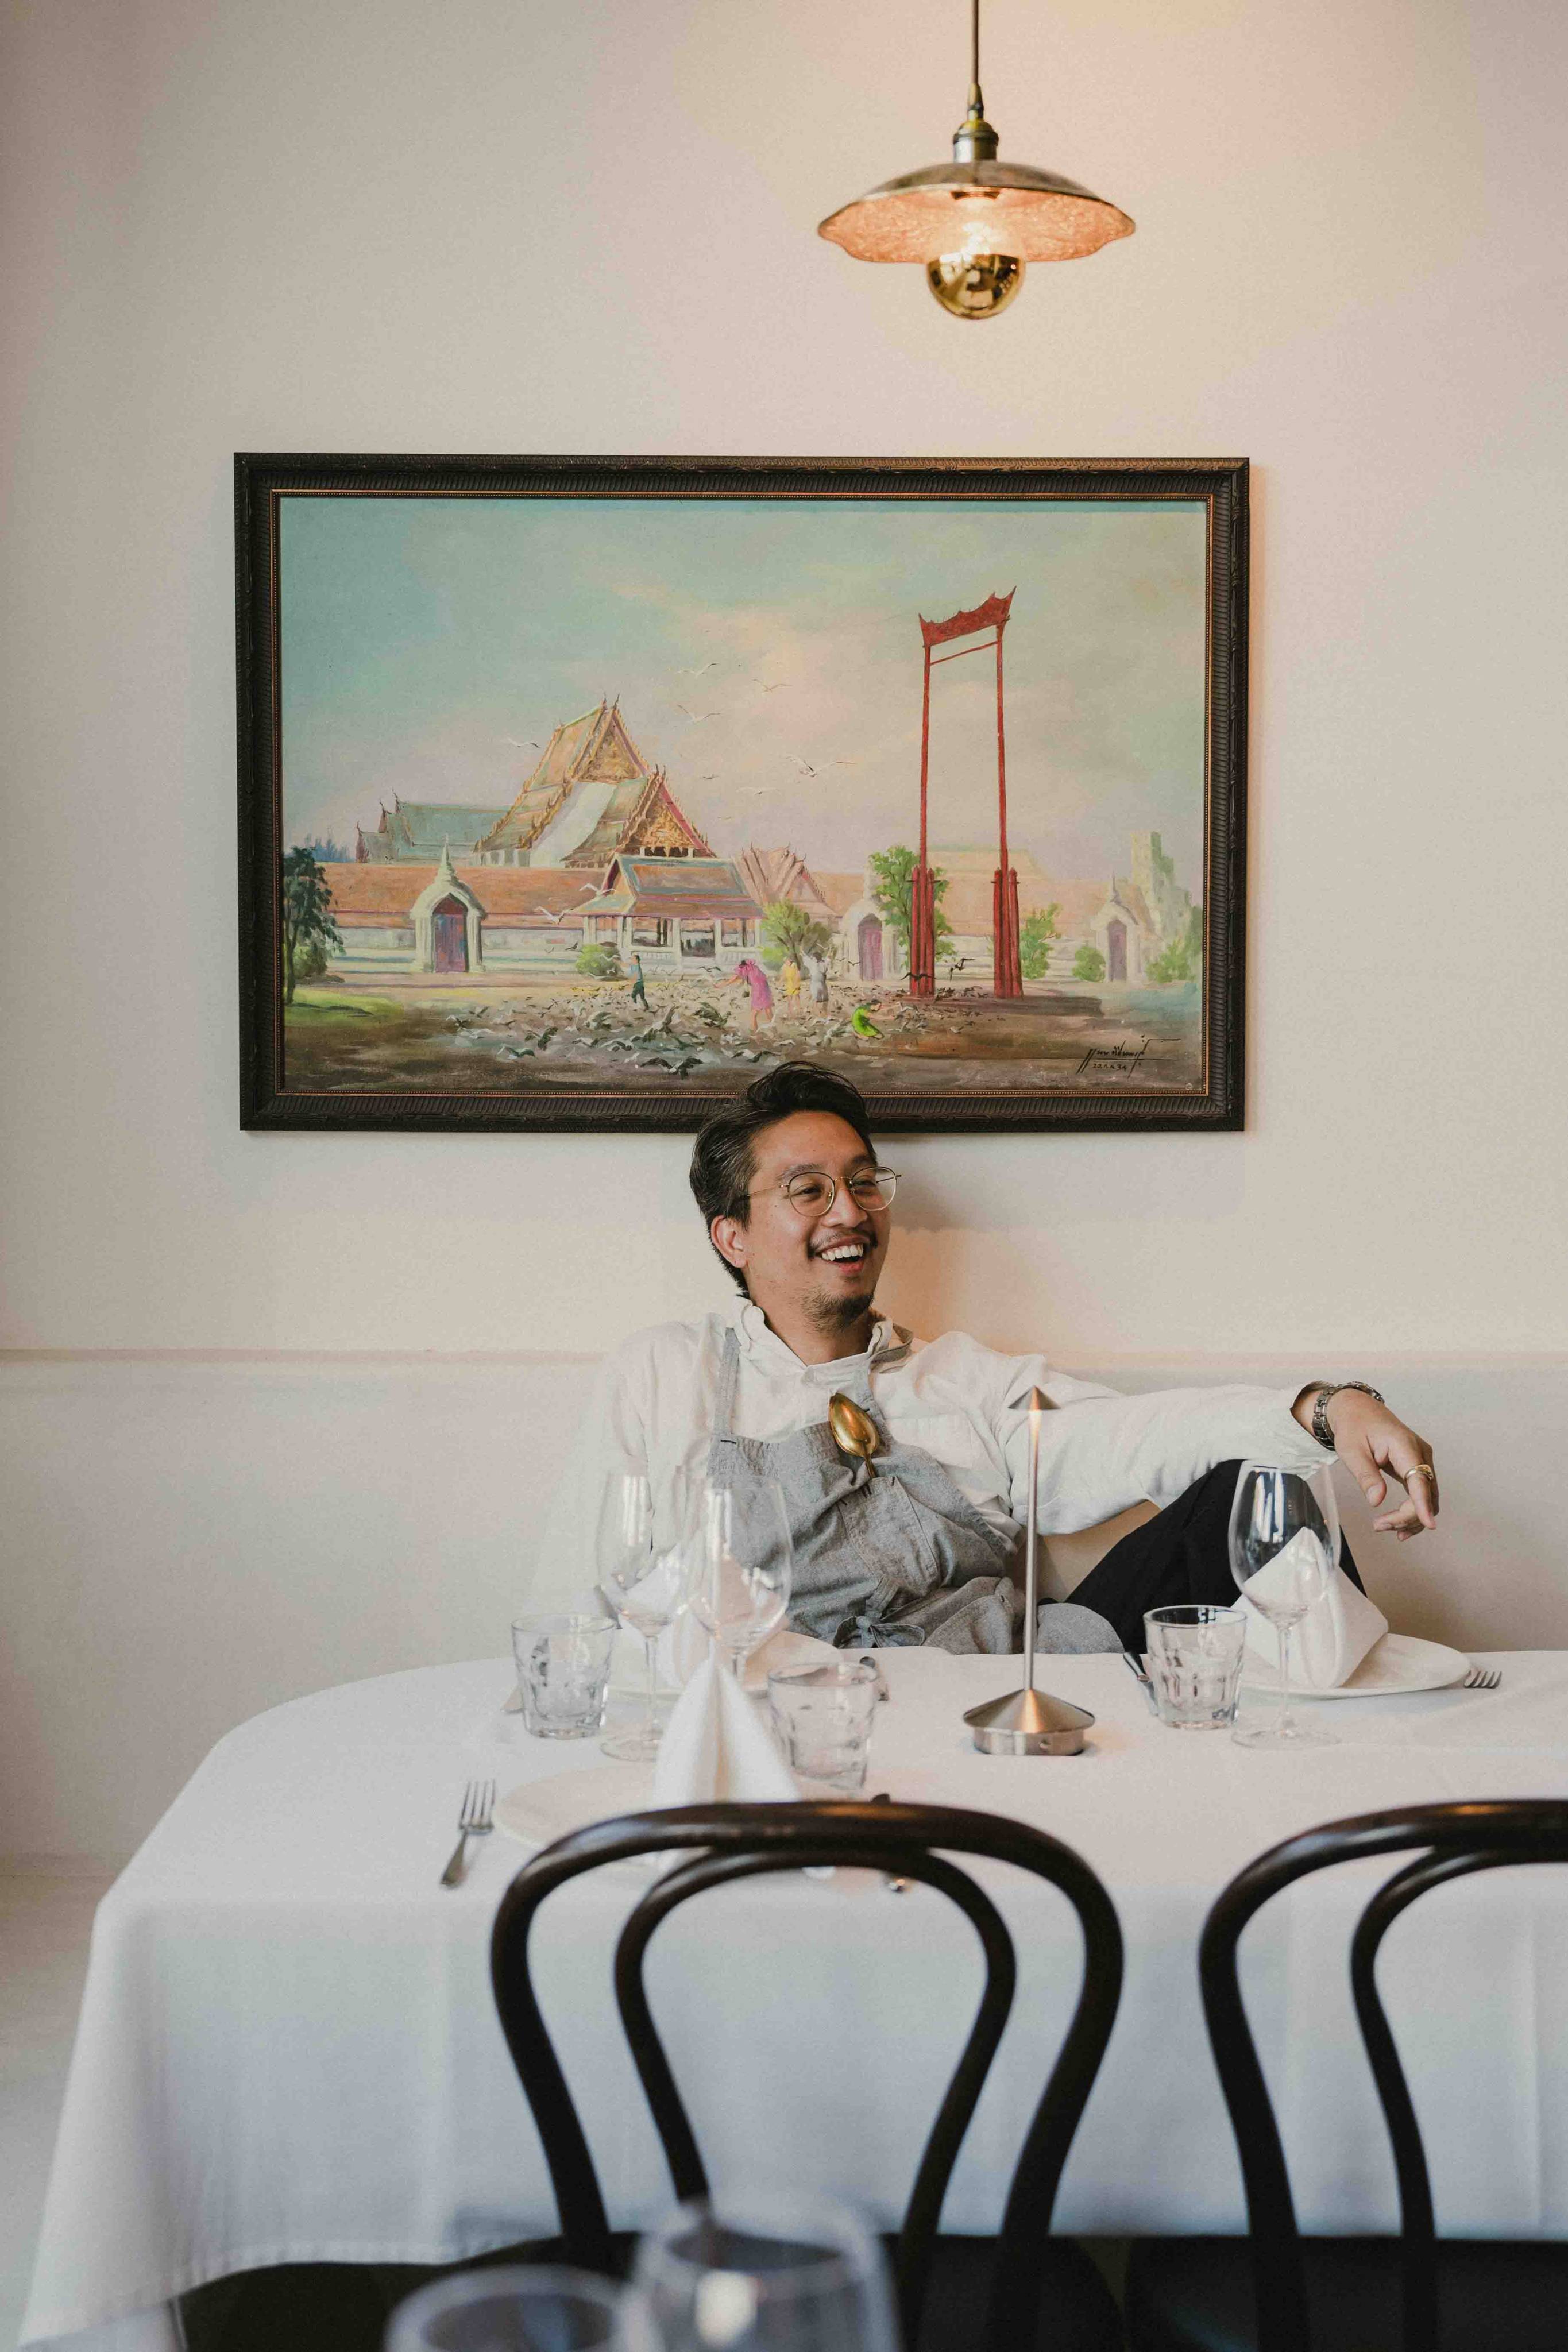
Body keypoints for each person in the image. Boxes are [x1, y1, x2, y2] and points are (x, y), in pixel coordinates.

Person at [542, 1062, 1439, 1655]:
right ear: (731, 1236)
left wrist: (1327, 1407)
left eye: (862, 1182)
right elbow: (582, 1598)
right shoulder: (666, 1374)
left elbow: (1138, 1436)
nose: (849, 1211)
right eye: (806, 1190)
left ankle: (1342, 1793)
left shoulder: (960, 1378)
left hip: (997, 1706)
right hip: (779, 1720)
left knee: (1258, 1486)